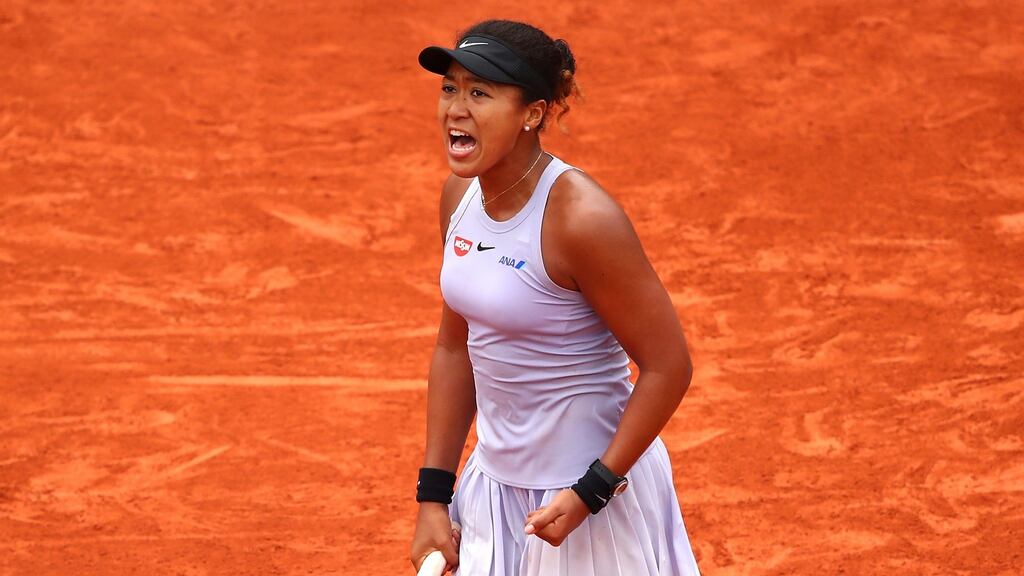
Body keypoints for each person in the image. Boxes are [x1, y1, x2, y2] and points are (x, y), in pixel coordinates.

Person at [410, 19, 702, 576]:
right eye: (450, 88)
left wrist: (591, 490)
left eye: (480, 93)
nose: (455, 109)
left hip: (587, 497)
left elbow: (668, 365)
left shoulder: (582, 220)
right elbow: (455, 347)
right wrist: (433, 496)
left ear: (533, 114)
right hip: (495, 491)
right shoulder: (459, 199)